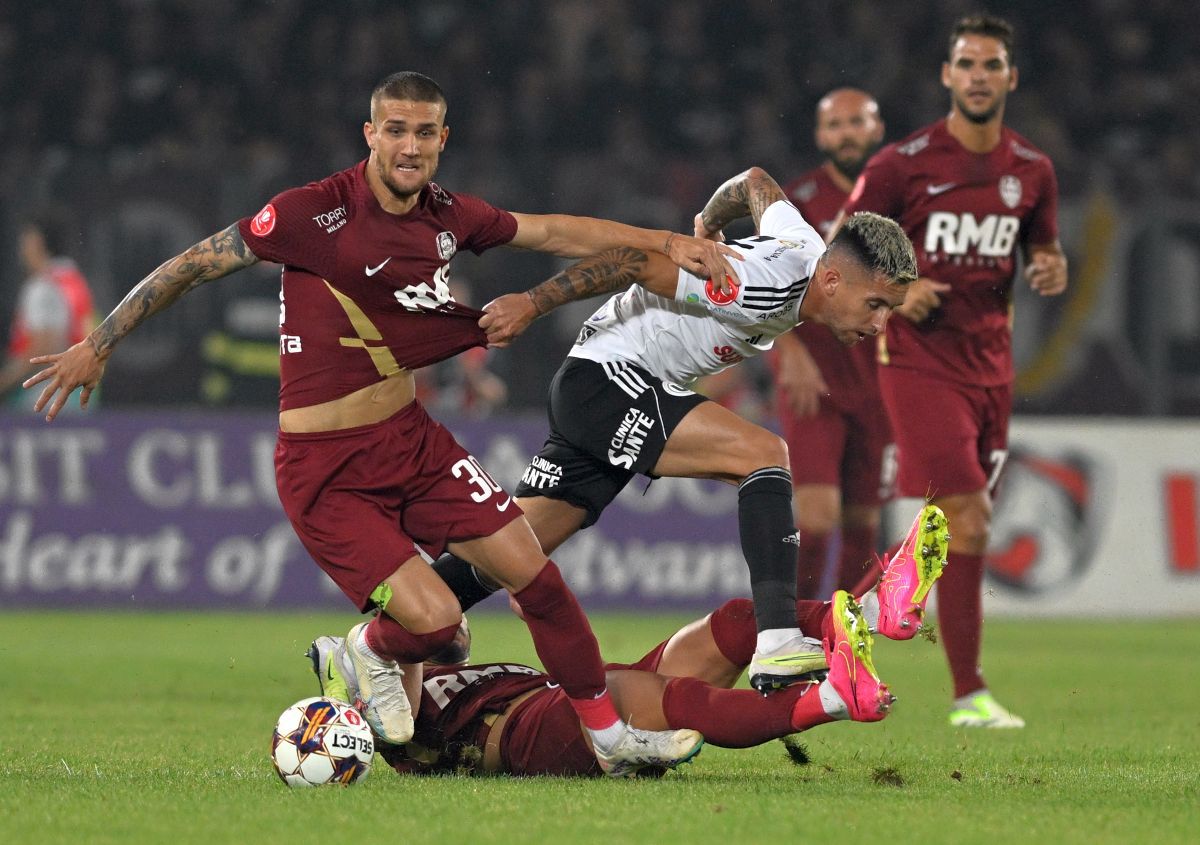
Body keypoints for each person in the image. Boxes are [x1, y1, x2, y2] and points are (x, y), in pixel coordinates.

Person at [23, 71, 743, 775]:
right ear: (370, 135)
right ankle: (367, 646)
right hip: (325, 469)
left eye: (424, 132)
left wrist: (663, 239)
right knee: (438, 630)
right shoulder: (312, 214)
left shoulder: (448, 216)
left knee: (538, 579)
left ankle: (610, 736)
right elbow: (192, 263)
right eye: (395, 130)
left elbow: (552, 230)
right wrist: (100, 343)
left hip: (412, 442)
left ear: (441, 140)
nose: (409, 146)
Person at [432, 165, 918, 693]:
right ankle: (777, 638)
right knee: (763, 454)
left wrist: (708, 222)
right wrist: (532, 304)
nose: (878, 326)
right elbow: (633, 261)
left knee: (510, 551)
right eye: (875, 305)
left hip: (600, 386)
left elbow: (756, 183)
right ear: (831, 279)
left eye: (889, 311)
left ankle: (383, 636)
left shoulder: (802, 241)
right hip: (607, 381)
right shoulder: (752, 285)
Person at [306, 504, 950, 777]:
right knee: (665, 695)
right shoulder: (394, 726)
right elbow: (417, 648)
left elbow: (447, 638)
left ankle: (863, 614)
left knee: (728, 625)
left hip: (557, 699)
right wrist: (371, 639)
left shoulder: (424, 670)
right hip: (526, 736)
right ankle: (836, 699)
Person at [836, 15, 1069, 728]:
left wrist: (1051, 267)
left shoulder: (1032, 169)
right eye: (965, 63)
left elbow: (1041, 251)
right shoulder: (903, 164)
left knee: (966, 527)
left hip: (992, 369)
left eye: (990, 65)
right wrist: (903, 293)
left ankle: (900, 654)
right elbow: (839, 255)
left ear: (1010, 78)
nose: (976, 76)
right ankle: (956, 677)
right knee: (969, 512)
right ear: (946, 75)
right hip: (916, 361)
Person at [774, 88, 892, 600]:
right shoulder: (797, 204)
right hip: (814, 383)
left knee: (863, 524)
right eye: (836, 125)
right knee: (817, 519)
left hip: (879, 383)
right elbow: (769, 287)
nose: (846, 133)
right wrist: (790, 352)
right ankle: (794, 632)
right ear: (822, 136)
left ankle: (844, 641)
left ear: (877, 130)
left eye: (856, 122)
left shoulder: (898, 199)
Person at [0, 214, 96, 409]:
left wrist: (4, 383)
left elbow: (43, 349)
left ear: (38, 241)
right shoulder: (75, 281)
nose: (21, 248)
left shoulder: (43, 287)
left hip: (45, 397)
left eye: (25, 239)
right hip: (80, 393)